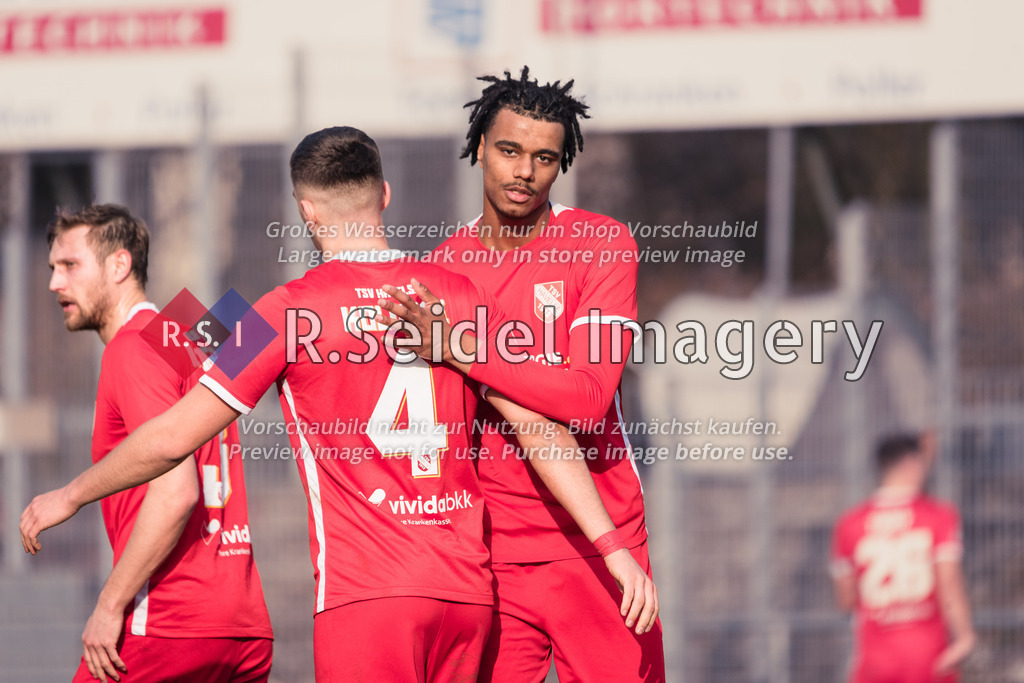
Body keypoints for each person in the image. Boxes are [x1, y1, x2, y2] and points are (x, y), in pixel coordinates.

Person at [22, 127, 655, 681]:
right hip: (466, 597)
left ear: (305, 211)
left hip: (367, 600)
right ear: (383, 195)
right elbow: (534, 423)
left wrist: (70, 495)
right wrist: (612, 547)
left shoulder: (281, 312)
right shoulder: (456, 291)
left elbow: (168, 439)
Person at [379, 66, 665, 682]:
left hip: (602, 544)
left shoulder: (602, 245)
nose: (523, 171)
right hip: (494, 558)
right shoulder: (441, 269)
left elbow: (587, 401)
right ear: (480, 147)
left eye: (543, 157)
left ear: (562, 165)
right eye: (508, 150)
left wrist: (458, 345)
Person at [42, 205, 273, 682]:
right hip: (244, 628)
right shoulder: (188, 328)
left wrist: (108, 605)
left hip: (168, 623)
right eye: (52, 269)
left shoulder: (131, 347)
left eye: (69, 266)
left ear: (119, 266)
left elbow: (177, 491)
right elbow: (252, 332)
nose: (55, 284)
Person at [831, 432, 975, 683]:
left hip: (875, 661)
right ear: (911, 463)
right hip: (929, 657)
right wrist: (964, 636)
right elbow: (948, 582)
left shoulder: (849, 523)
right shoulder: (938, 515)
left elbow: (846, 600)